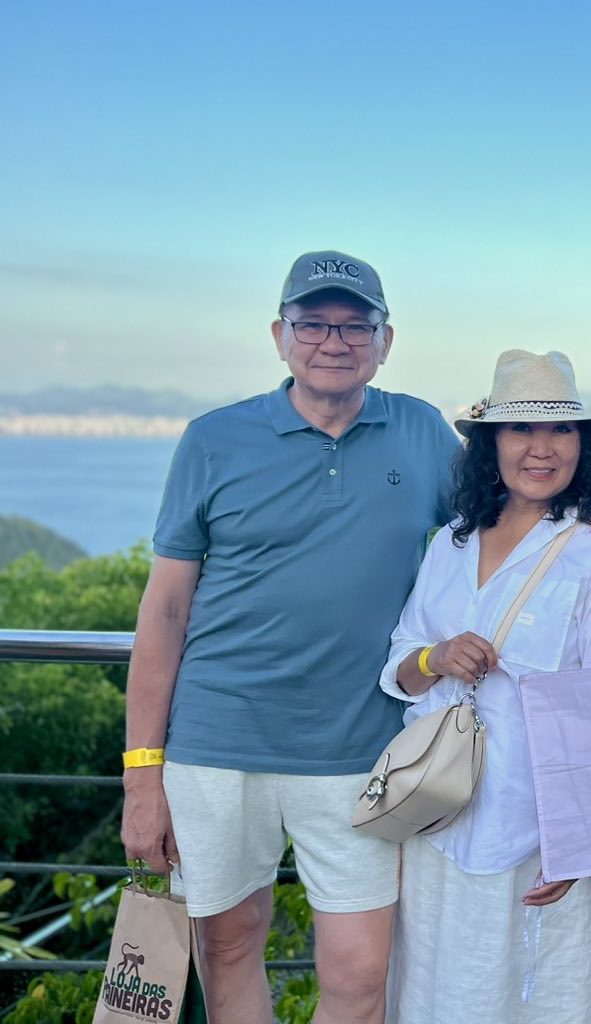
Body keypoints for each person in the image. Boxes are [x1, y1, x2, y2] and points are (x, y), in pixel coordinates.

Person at [122, 251, 459, 1024]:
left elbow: (510, 524)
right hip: (216, 744)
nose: (332, 341)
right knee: (229, 948)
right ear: (280, 335)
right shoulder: (213, 440)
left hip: (362, 750)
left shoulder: (424, 431)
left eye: (354, 324)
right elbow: (165, 610)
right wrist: (143, 775)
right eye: (313, 323)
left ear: (386, 338)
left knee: (360, 972)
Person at [380, 348, 591, 1023]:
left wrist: (582, 842)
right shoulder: (452, 542)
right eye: (520, 429)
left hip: (537, 828)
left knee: (537, 997)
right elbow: (400, 663)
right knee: (434, 992)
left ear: (584, 445)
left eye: (561, 430)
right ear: (489, 444)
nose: (541, 448)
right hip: (438, 815)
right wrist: (438, 656)